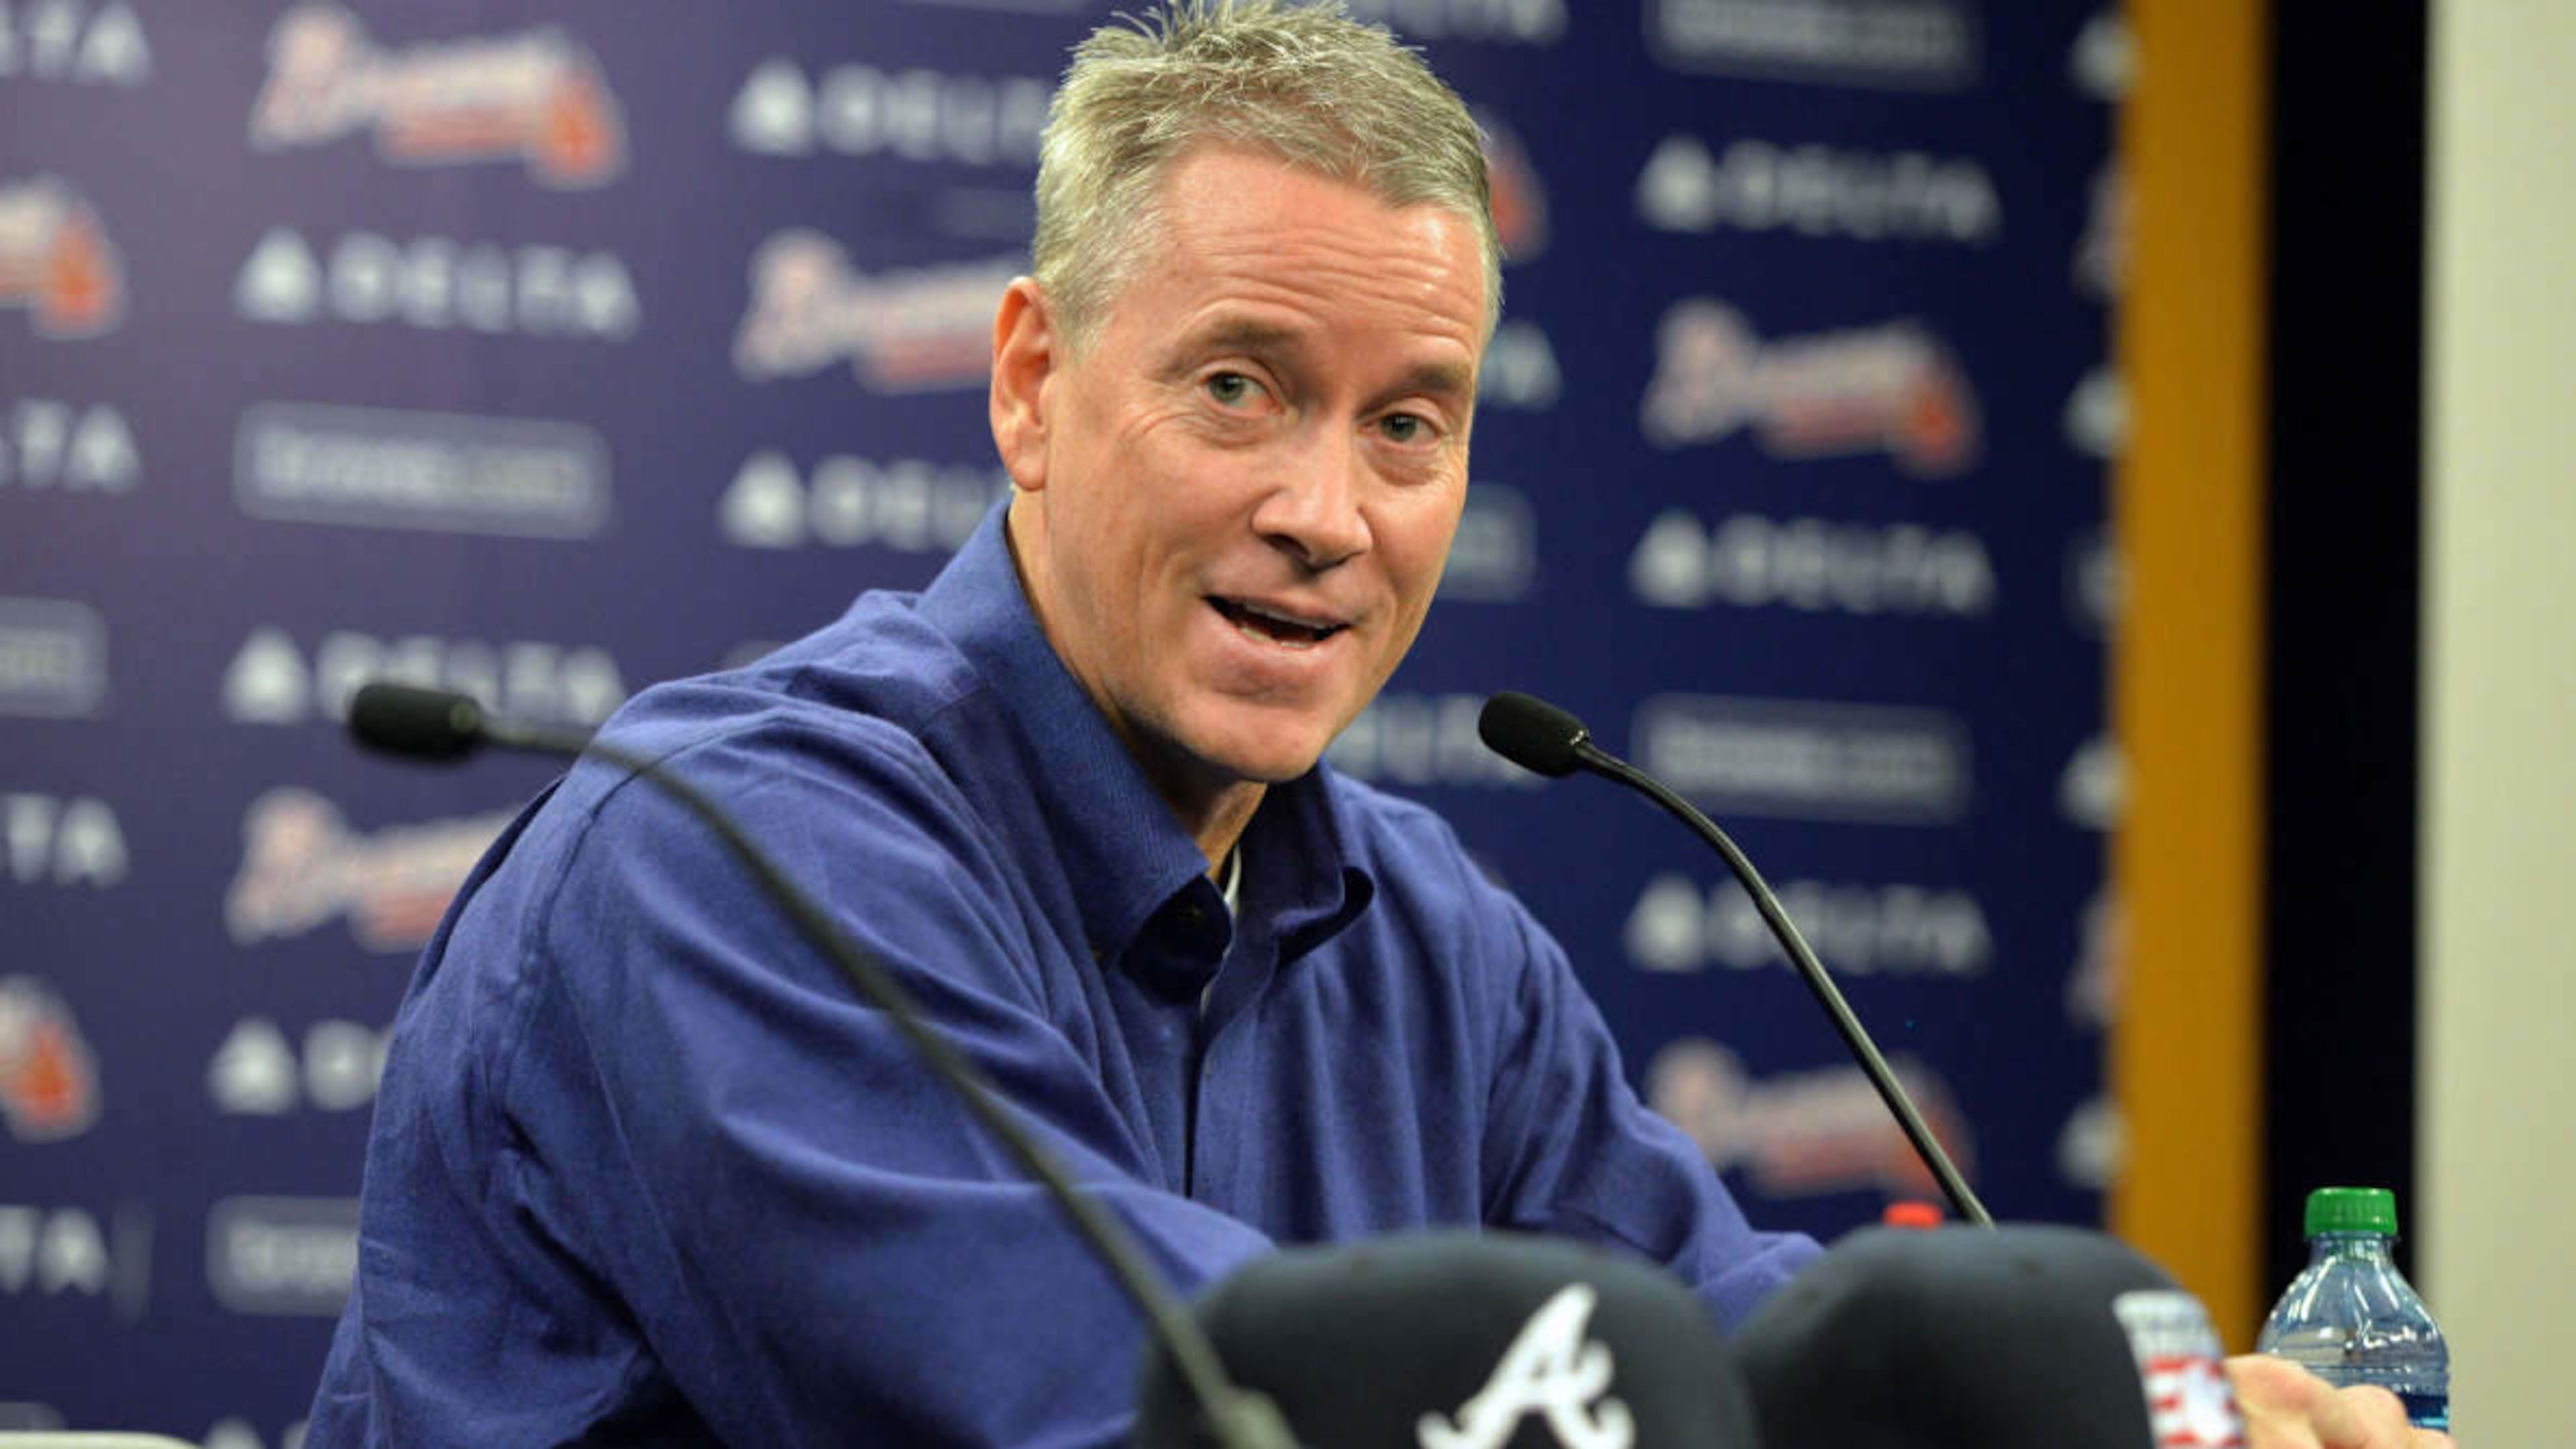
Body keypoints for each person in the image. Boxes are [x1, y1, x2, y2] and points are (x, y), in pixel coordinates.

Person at [304, 5, 2452, 1447]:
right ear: (1034, 387)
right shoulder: (743, 852)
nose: (1324, 515)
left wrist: (2142, 1414)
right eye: (1238, 386)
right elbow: (1184, 1402)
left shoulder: (1420, 925)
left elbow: (1725, 1340)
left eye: (1405, 425)